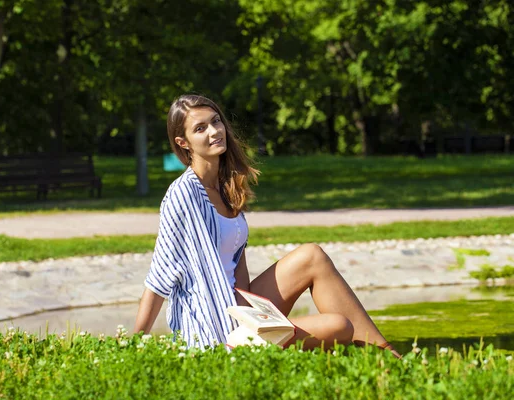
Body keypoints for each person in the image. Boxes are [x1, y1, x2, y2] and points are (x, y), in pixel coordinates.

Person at [133, 94, 400, 358]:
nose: (214, 131)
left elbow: (237, 264)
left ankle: (389, 356)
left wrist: (257, 314)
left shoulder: (225, 186)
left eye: (216, 121)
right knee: (340, 326)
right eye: (200, 128)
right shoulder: (183, 196)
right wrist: (133, 345)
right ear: (184, 143)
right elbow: (159, 278)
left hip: (238, 307)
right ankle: (379, 359)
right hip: (214, 329)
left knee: (312, 256)